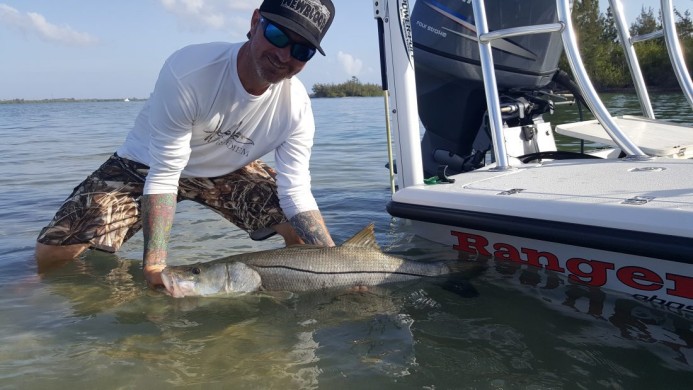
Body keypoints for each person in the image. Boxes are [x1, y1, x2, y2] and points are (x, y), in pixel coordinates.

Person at [35, 0, 337, 288]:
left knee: (301, 238)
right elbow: (166, 171)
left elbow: (295, 191)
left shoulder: (296, 107)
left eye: (302, 50)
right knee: (53, 256)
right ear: (255, 22)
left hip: (227, 170)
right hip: (146, 163)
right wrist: (154, 265)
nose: (285, 56)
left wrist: (337, 262)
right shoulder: (191, 70)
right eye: (277, 35)